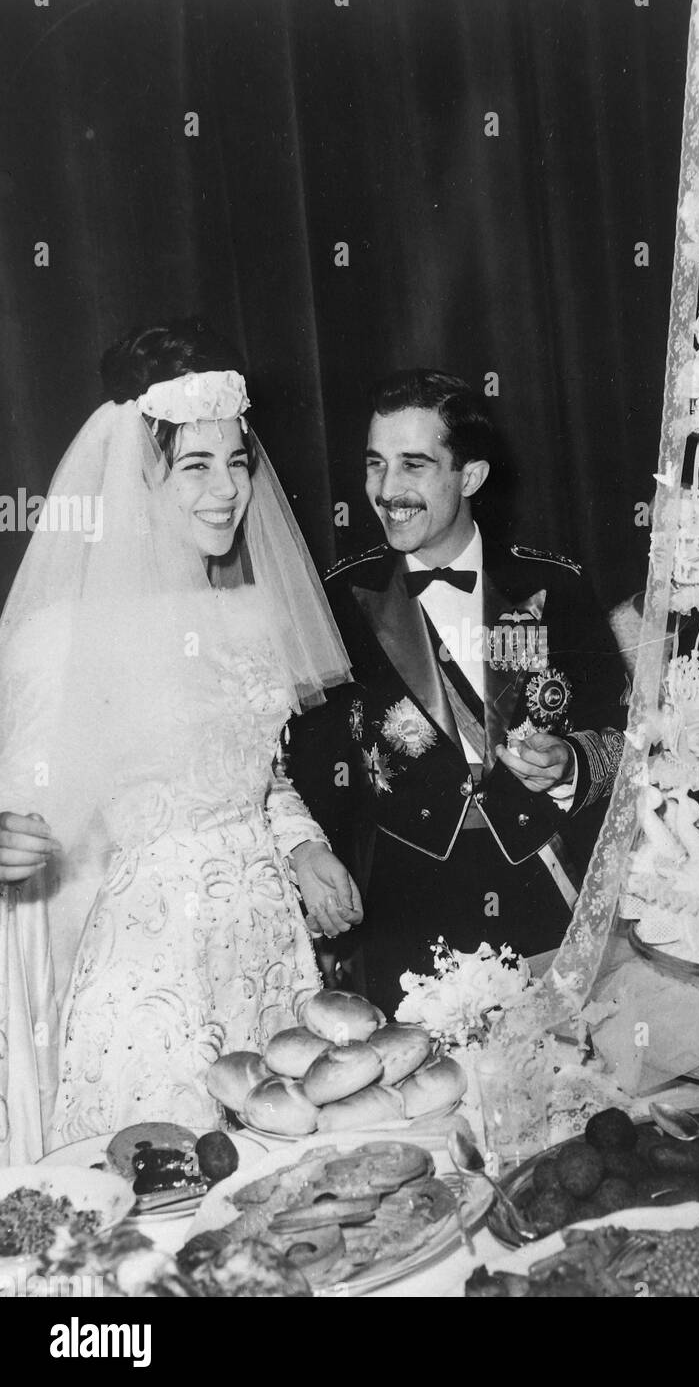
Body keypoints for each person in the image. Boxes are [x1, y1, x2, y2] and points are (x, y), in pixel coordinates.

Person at [0, 319, 360, 1161]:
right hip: (152, 973)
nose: (227, 489)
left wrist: (304, 846)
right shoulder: (66, 637)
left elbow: (258, 777)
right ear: (138, 475)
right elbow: (24, 797)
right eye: (195, 465)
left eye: (236, 461)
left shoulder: (250, 614)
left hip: (269, 947)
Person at [289, 370, 626, 1014]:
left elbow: (627, 741)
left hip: (546, 897)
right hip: (401, 915)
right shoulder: (333, 604)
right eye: (376, 465)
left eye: (415, 466)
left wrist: (570, 762)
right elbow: (303, 770)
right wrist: (308, 858)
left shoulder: (557, 585)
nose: (388, 491)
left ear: (470, 477)